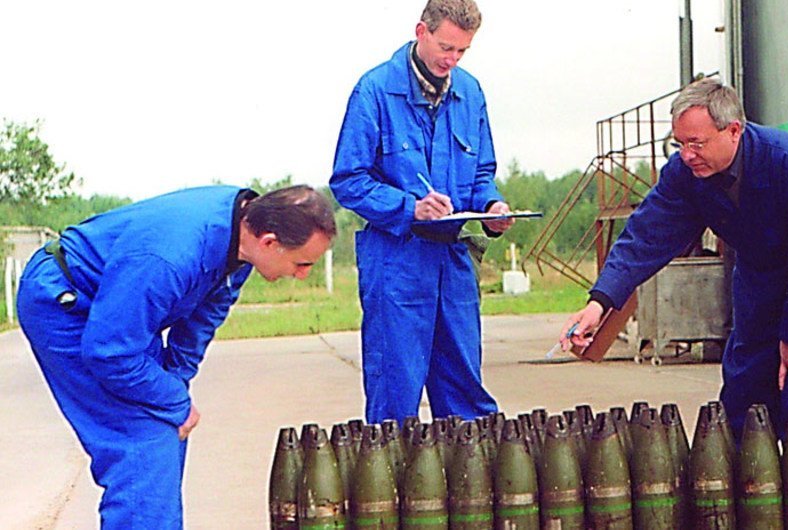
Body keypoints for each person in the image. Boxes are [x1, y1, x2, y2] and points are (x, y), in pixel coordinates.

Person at [16, 184, 336, 529]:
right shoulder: (171, 256)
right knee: (143, 442)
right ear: (270, 242)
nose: (304, 274)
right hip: (67, 302)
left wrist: (176, 386)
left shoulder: (242, 235)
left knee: (167, 431)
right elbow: (110, 353)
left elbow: (203, 319)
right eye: (302, 263)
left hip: (118, 307)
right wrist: (173, 402)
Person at [560, 78, 788, 442]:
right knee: (742, 408)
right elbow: (644, 236)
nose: (687, 155)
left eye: (696, 143)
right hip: (757, 282)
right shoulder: (686, 174)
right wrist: (599, 302)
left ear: (733, 130)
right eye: (680, 144)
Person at [330, 0, 512, 425]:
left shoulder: (470, 93)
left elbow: (482, 170)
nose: (452, 60)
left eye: (462, 51)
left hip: (454, 260)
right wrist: (409, 208)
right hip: (397, 260)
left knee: (465, 391)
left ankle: (470, 487)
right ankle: (390, 487)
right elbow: (348, 180)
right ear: (421, 31)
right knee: (395, 393)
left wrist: (491, 205)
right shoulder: (374, 91)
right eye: (446, 47)